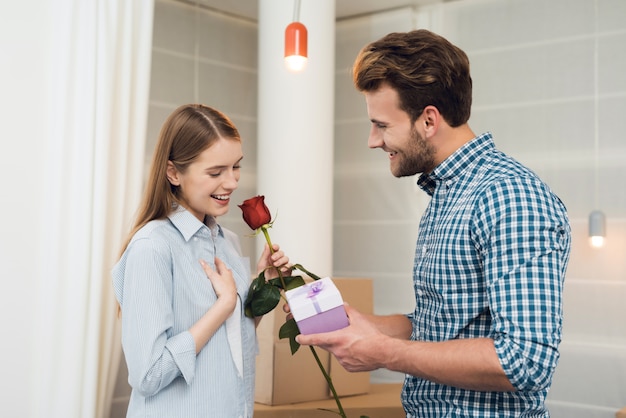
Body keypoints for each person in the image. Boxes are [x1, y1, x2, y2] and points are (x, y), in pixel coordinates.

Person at [295, 29, 572, 417]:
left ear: (428, 120)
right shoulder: (446, 194)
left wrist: (385, 354)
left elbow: (525, 360)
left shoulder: (508, 197)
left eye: (382, 125)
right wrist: (360, 325)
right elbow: (444, 325)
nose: (372, 141)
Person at [112, 104, 290, 418]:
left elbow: (234, 341)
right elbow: (148, 375)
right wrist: (223, 307)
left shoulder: (228, 242)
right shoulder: (152, 248)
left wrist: (263, 285)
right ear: (174, 173)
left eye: (236, 167)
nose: (232, 182)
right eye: (215, 172)